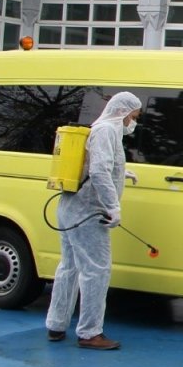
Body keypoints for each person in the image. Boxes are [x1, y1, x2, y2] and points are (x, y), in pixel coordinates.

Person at [45, 91, 141, 350]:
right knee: (96, 271)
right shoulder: (107, 131)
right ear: (123, 111)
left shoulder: (101, 129)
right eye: (133, 116)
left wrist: (123, 173)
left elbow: (99, 166)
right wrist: (113, 206)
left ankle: (56, 324)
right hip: (88, 213)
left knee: (69, 267)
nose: (134, 121)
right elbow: (99, 171)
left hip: (71, 210)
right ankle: (89, 333)